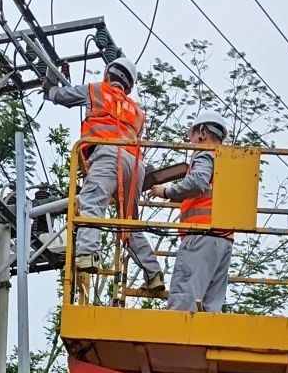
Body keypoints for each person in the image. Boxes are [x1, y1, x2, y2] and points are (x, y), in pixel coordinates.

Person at [43, 56, 165, 296]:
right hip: (136, 164)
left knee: (92, 203)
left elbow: (65, 97)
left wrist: (51, 90)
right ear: (128, 86)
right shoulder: (137, 111)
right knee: (128, 224)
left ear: (108, 75)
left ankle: (88, 254)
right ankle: (154, 274)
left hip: (108, 155)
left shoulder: (97, 90)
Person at [149, 110, 233, 313]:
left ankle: (174, 344)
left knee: (183, 302)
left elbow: (197, 181)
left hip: (201, 236)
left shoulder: (205, 153)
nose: (191, 142)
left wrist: (166, 191)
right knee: (209, 309)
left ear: (202, 132)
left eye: (192, 136)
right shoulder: (228, 162)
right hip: (223, 241)